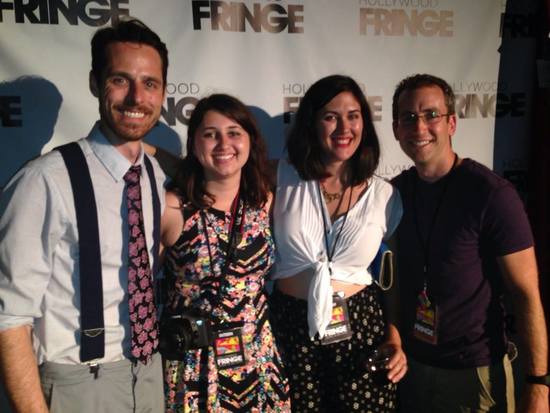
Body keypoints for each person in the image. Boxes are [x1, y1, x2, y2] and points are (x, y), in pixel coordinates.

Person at [0, 19, 168, 412]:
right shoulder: (44, 180)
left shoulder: (156, 176)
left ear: (162, 92)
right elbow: (8, 316)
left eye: (150, 83)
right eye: (120, 80)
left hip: (150, 375)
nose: (136, 97)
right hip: (78, 384)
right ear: (95, 83)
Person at [391, 73, 549, 413]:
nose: (420, 127)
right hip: (412, 370)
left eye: (431, 115)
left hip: (475, 376)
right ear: (396, 129)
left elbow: (526, 294)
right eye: (409, 117)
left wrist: (538, 385)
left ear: (451, 123)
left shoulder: (492, 195)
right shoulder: (394, 194)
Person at [268, 74, 407, 412]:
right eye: (331, 116)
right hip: (290, 328)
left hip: (361, 329)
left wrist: (394, 335)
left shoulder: (385, 195)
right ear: (312, 123)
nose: (344, 127)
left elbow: (392, 278)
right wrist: (149, 150)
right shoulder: (280, 176)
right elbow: (207, 176)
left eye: (353, 116)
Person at [160, 94, 291, 412]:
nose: (223, 144)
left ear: (250, 140)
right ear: (194, 144)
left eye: (234, 133)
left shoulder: (264, 201)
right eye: (210, 134)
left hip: (258, 358)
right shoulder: (173, 208)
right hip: (195, 364)